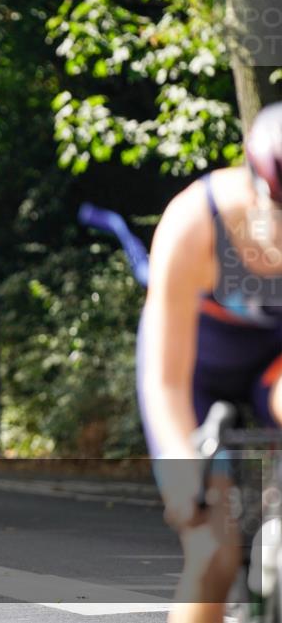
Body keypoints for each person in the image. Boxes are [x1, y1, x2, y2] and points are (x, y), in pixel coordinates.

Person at [138, 102, 282, 623]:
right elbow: (165, 379)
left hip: (274, 367)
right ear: (257, 189)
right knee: (212, 555)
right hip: (196, 370)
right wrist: (183, 475)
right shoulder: (195, 222)